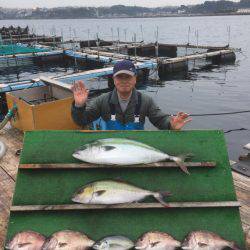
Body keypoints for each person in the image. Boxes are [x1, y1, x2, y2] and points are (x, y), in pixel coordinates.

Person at [71, 60, 191, 130]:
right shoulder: (102, 100)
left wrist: (171, 124)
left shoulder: (145, 101)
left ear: (135, 79)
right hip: (112, 148)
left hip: (137, 146)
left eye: (128, 77)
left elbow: (160, 119)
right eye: (120, 77)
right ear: (114, 80)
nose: (124, 80)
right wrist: (79, 106)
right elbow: (81, 121)